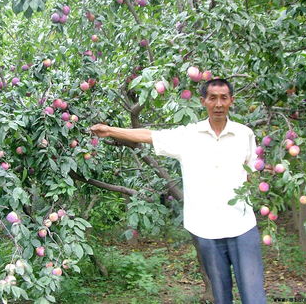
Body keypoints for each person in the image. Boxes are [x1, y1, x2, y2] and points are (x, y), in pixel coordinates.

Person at [90, 78, 266, 304]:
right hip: (206, 228)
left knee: (254, 297)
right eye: (213, 98)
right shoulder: (189, 135)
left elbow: (254, 173)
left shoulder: (245, 134)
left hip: (242, 226)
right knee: (221, 297)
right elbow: (150, 136)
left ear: (232, 100)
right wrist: (110, 130)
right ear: (203, 101)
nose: (219, 104)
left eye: (224, 98)